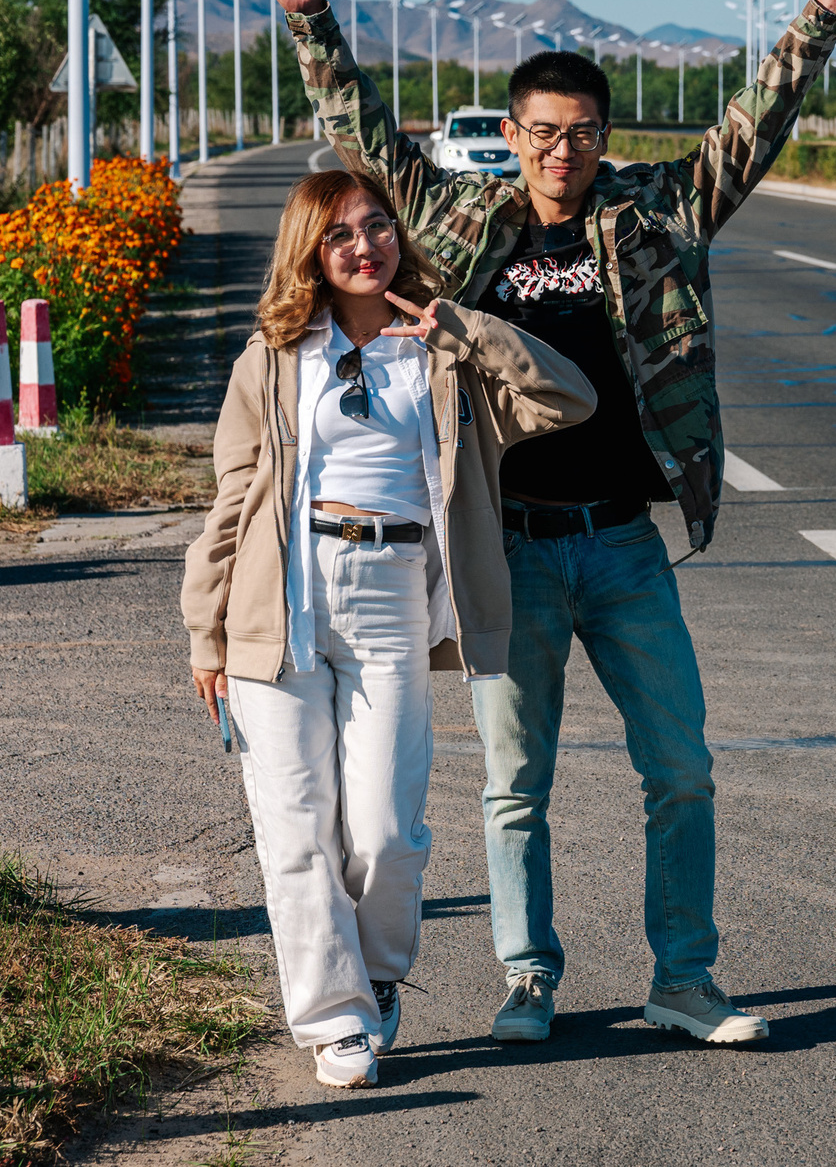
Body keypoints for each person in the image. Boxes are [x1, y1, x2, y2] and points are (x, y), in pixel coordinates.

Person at [245, 0, 836, 1045]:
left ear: (604, 136)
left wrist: (821, 19)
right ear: (511, 134)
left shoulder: (653, 216)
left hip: (625, 545)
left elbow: (751, 130)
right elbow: (367, 142)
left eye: (583, 134)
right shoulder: (459, 221)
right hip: (512, 545)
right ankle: (527, 978)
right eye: (543, 134)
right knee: (513, 786)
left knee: (680, 769)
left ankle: (684, 978)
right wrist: (310, 18)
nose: (563, 152)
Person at [180, 169, 595, 1088]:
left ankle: (373, 975)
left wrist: (468, 328)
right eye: (340, 236)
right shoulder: (274, 356)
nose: (364, 246)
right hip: (280, 602)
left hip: (395, 594)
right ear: (311, 255)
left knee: (386, 828)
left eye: (377, 226)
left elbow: (571, 397)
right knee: (294, 825)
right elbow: (230, 499)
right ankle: (333, 1020)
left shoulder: (443, 355)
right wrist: (205, 633)